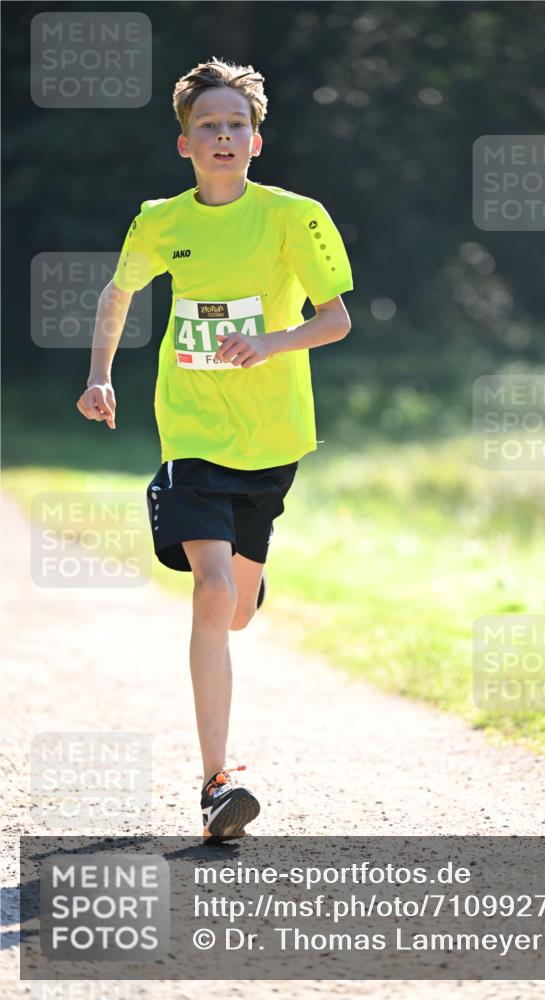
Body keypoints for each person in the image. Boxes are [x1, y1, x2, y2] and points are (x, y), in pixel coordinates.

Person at [76, 57, 354, 840]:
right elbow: (118, 292)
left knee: (233, 611)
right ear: (184, 144)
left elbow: (335, 321)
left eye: (236, 125)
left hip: (271, 438)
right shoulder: (161, 222)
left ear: (257, 141)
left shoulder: (294, 216)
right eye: (209, 126)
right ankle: (216, 782)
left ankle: (239, 584)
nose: (223, 136)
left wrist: (271, 341)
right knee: (210, 590)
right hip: (192, 429)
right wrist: (99, 375)